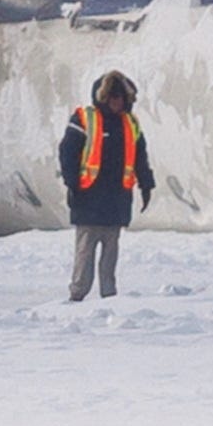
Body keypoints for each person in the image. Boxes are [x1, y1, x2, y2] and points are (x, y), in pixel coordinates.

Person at [58, 70, 156, 302]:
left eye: (120, 97)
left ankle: (109, 295)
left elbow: (140, 157)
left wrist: (146, 185)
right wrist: (71, 183)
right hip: (88, 198)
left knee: (110, 252)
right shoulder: (84, 119)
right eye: (112, 97)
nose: (116, 101)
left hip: (116, 201)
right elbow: (68, 152)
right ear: (103, 97)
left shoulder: (130, 124)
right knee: (85, 251)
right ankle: (77, 293)